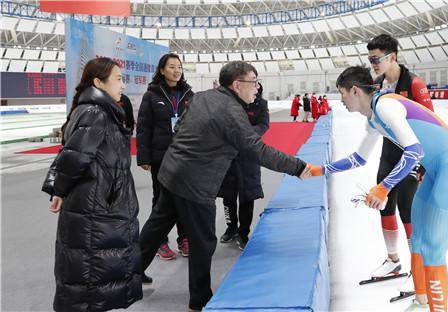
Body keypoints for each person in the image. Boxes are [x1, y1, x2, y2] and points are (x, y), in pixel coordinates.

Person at [138, 61, 313, 311]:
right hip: (195, 183)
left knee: (155, 229)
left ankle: (129, 278)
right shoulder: (231, 111)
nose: (257, 87)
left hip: (171, 172)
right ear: (237, 85)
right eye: (253, 81)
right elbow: (256, 149)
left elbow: (179, 127)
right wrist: (297, 167)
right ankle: (199, 300)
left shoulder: (202, 97)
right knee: (203, 242)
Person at [306, 66, 448, 312]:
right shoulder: (373, 118)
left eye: (342, 93)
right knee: (418, 241)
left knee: (433, 249)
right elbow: (359, 159)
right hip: (436, 173)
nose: (341, 100)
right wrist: (319, 170)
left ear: (354, 91)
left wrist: (384, 187)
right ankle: (421, 302)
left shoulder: (385, 106)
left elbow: (415, 151)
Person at [41, 57, 142, 311]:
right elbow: (74, 156)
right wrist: (59, 189)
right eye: (118, 79)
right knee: (91, 274)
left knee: (94, 275)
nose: (122, 84)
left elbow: (68, 151)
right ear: (99, 82)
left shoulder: (99, 110)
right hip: (96, 207)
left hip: (99, 203)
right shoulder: (95, 112)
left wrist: (58, 189)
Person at [366, 34, 435, 289]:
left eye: (376, 59)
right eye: (370, 59)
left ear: (392, 56)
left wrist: (424, 165)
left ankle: (417, 269)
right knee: (384, 205)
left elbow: (430, 125)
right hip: (388, 155)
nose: (372, 63)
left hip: (410, 156)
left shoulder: (414, 84)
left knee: (407, 210)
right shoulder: (378, 85)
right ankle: (393, 260)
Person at [136, 53, 194, 262]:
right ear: (161, 70)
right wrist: (144, 157)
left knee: (184, 197)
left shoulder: (188, 94)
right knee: (161, 198)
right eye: (171, 67)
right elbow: (143, 128)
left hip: (185, 156)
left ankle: (184, 237)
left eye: (179, 66)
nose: (176, 70)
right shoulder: (151, 95)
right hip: (161, 157)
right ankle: (160, 241)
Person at [218, 81, 270, 250]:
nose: (253, 89)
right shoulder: (230, 103)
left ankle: (243, 233)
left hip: (249, 155)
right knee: (228, 196)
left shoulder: (261, 104)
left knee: (247, 196)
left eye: (255, 86)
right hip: (229, 155)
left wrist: (246, 135)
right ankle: (231, 228)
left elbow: (263, 125)